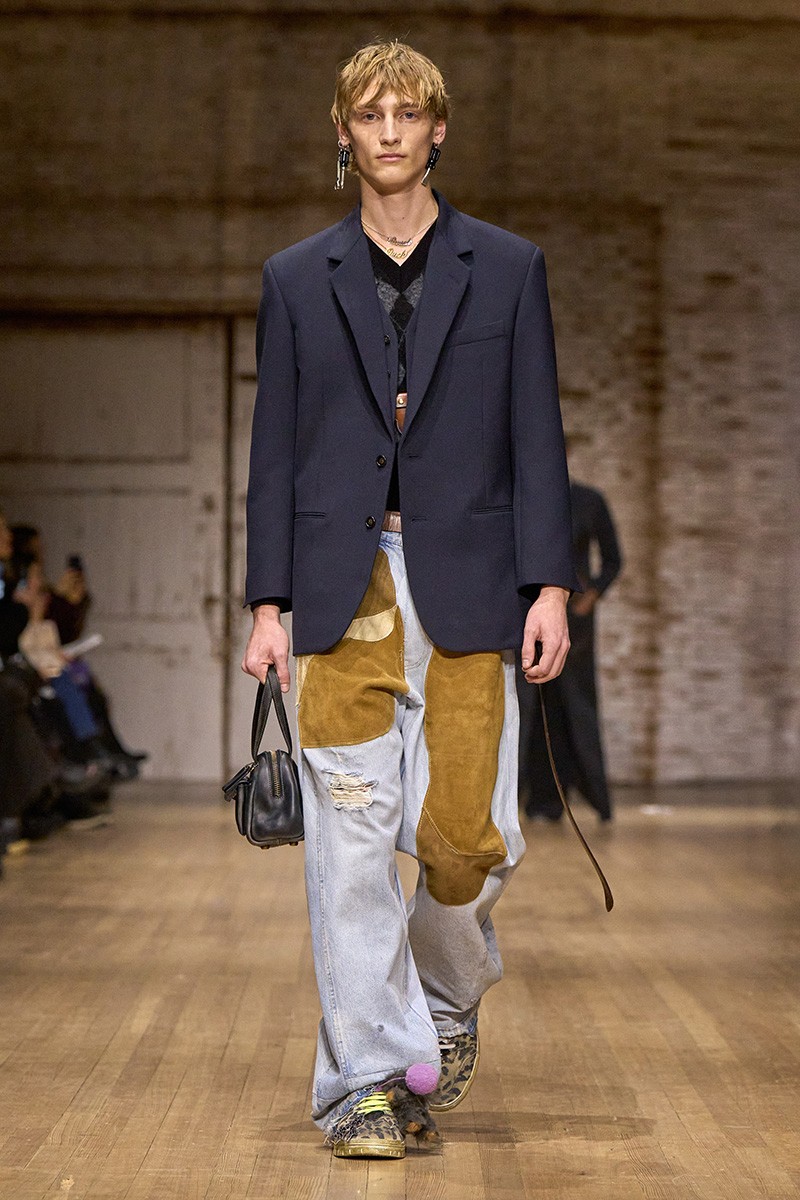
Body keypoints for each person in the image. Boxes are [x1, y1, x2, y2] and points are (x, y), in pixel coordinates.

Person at [241, 41, 579, 1159]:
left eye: (407, 113)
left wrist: (549, 586)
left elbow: (536, 435)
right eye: (368, 113)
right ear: (343, 132)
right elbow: (274, 453)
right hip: (344, 593)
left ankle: (441, 1007)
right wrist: (267, 606)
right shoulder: (296, 278)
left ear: (438, 130)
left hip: (472, 588)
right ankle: (369, 1083)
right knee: (348, 845)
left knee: (467, 845)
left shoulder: (508, 267)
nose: (388, 131)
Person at [516, 458, 623, 822]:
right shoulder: (524, 500)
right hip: (526, 617)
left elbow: (613, 561)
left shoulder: (589, 501)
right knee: (527, 709)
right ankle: (526, 800)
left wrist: (589, 597)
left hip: (574, 622)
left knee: (571, 708)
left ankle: (565, 797)